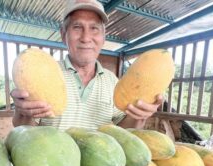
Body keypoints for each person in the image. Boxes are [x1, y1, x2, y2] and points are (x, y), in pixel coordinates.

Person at [10, 0, 163, 130]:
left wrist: (139, 116)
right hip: (55, 164)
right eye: (77, 27)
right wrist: (23, 113)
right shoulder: (42, 74)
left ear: (103, 37)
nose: (86, 37)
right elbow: (24, 130)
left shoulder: (113, 82)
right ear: (64, 35)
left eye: (94, 28)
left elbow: (124, 131)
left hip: (100, 164)